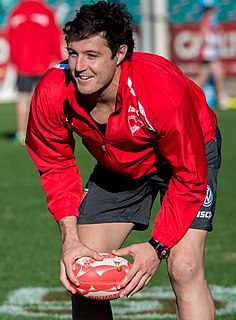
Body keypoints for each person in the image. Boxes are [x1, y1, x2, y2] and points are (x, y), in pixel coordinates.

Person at [26, 1, 221, 319]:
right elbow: (54, 163)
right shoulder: (52, 90)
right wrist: (71, 239)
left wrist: (157, 248)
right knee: (82, 272)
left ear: (119, 54)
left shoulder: (162, 94)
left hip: (187, 159)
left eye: (92, 55)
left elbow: (189, 176)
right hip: (120, 162)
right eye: (73, 53)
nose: (79, 67)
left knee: (184, 267)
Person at [7, 0, 62, 145]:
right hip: (44, 62)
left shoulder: (16, 11)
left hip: (23, 64)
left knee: (23, 97)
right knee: (46, 99)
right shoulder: (46, 11)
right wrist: (57, 57)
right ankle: (47, 132)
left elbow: (10, 37)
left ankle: (21, 133)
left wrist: (14, 60)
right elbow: (54, 36)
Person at [195, 5, 228, 111]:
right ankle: (222, 99)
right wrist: (216, 42)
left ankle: (221, 99)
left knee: (211, 76)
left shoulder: (212, 22)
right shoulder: (205, 21)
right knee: (214, 75)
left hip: (212, 53)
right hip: (208, 53)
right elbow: (205, 39)